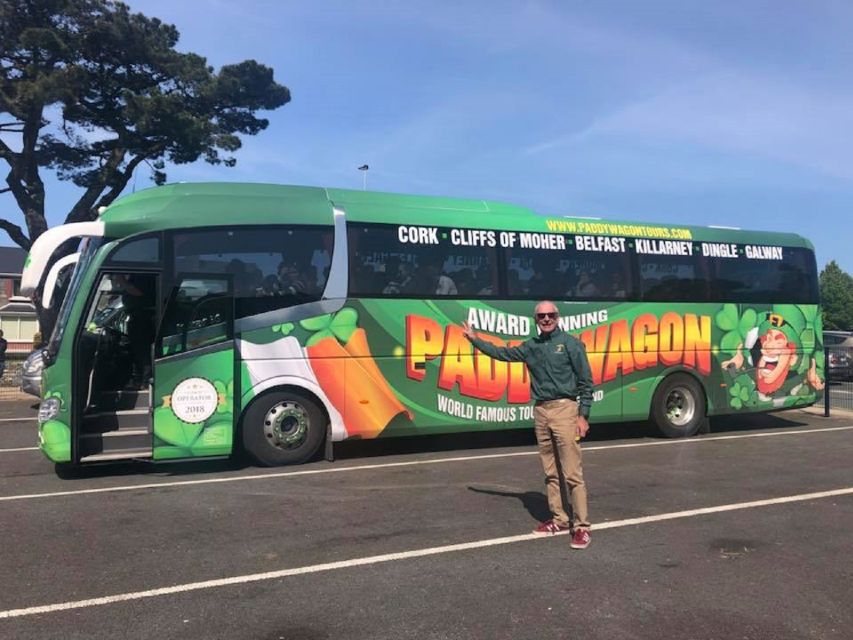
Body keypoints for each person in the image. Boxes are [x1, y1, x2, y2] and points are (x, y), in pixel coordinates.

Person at [461, 300, 594, 549]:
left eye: (550, 315)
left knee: (573, 474)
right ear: (536, 320)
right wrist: (474, 339)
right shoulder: (531, 346)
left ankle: (582, 527)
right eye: (541, 316)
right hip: (541, 410)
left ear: (558, 316)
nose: (546, 319)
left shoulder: (571, 344)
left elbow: (586, 382)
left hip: (565, 409)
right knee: (550, 472)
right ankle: (560, 519)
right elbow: (502, 353)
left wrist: (583, 415)